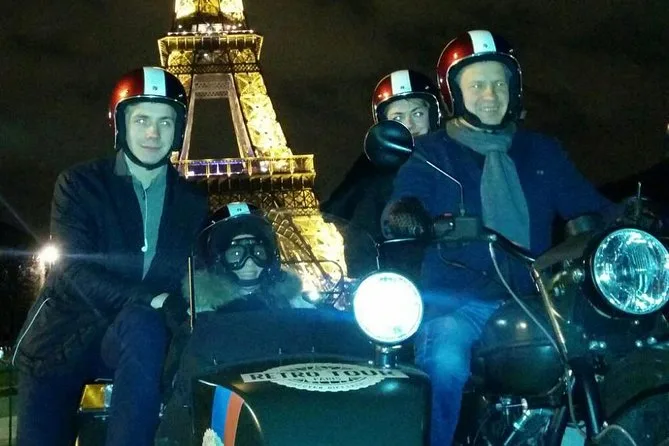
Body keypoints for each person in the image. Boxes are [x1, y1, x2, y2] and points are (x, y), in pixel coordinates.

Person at [381, 30, 618, 446]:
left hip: (538, 299)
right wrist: (408, 217)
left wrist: (633, 215)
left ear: (514, 90)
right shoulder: (431, 154)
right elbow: (403, 202)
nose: (490, 95)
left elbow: (588, 207)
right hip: (459, 302)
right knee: (445, 360)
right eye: (476, 85)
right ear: (455, 94)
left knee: (604, 350)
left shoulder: (541, 151)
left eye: (499, 83)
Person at [12, 66, 209, 446]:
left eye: (165, 122)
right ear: (120, 124)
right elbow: (72, 271)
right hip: (63, 342)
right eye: (142, 120)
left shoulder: (192, 201)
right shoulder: (79, 184)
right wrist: (153, 299)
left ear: (179, 130)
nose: (153, 133)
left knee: (144, 325)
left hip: (137, 342)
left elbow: (199, 275)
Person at [156, 202, 313, 445]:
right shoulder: (198, 311)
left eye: (258, 252)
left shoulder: (295, 303)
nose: (250, 262)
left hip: (287, 407)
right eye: (236, 254)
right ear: (218, 259)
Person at [321, 70, 442, 277]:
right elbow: (361, 242)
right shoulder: (371, 181)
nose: (410, 125)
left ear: (432, 117)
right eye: (398, 117)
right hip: (398, 281)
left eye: (418, 114)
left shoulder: (452, 163)